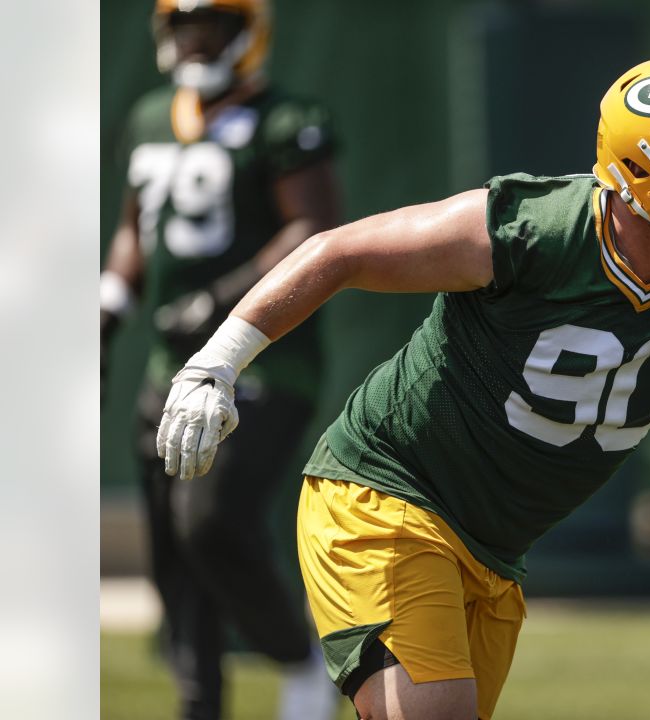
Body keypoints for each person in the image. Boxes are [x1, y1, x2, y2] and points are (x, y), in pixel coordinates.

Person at [155, 55, 650, 720]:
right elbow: (337, 250)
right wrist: (216, 362)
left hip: (495, 548)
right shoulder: (533, 232)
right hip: (389, 494)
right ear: (646, 170)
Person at [100, 1, 342, 718]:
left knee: (210, 522)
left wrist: (224, 300)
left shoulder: (286, 119)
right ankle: (198, 702)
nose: (196, 40)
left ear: (248, 32)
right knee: (173, 552)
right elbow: (135, 228)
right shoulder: (151, 117)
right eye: (185, 27)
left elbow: (315, 225)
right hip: (164, 368)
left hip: (264, 359)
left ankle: (299, 659)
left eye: (211, 27)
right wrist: (112, 299)